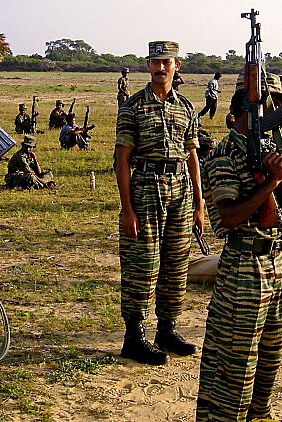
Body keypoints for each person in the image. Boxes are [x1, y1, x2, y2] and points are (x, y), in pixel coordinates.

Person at [196, 73, 282, 422]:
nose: (269, 112)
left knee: (271, 354)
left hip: (279, 263)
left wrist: (278, 179)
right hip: (245, 269)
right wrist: (269, 182)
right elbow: (228, 219)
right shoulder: (224, 155)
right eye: (263, 106)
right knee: (235, 362)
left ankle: (260, 413)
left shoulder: (273, 151)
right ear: (241, 113)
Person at [115, 40, 203, 366]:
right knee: (142, 265)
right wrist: (127, 208)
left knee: (176, 265)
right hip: (146, 189)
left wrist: (199, 202)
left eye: (167, 62)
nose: (161, 67)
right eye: (155, 62)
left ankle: (167, 329)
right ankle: (133, 338)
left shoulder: (186, 108)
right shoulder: (133, 107)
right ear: (148, 65)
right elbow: (121, 159)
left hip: (180, 189)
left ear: (177, 65)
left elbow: (192, 154)